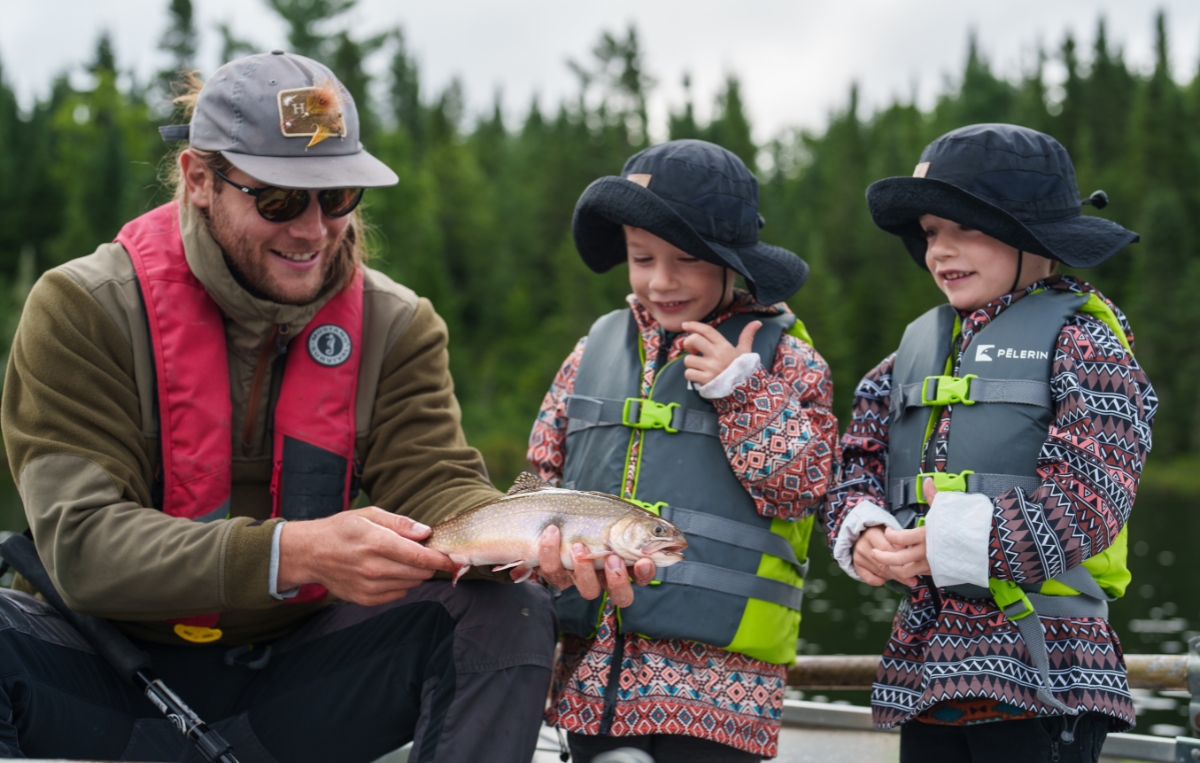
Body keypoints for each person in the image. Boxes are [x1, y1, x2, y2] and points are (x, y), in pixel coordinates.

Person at [0, 51, 648, 763]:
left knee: (507, 611)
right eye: (278, 199)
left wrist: (532, 538)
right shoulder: (82, 309)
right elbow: (83, 547)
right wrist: (293, 551)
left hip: (295, 688)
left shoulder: (399, 325)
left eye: (337, 196)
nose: (313, 229)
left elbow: (438, 487)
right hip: (95, 674)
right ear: (199, 180)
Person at [821, 124, 1157, 763]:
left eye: (963, 229)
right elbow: (854, 466)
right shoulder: (906, 360)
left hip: (1049, 671)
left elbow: (1092, 498)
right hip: (930, 672)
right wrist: (862, 531)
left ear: (1034, 237)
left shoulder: (1086, 347)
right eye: (929, 233)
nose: (940, 251)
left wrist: (948, 541)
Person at [529, 139, 839, 762]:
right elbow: (540, 477)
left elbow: (804, 488)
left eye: (687, 260)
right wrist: (538, 556)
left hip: (723, 692)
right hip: (593, 681)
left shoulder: (788, 359)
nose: (660, 281)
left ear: (734, 261)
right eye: (641, 257)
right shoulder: (592, 351)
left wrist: (742, 390)